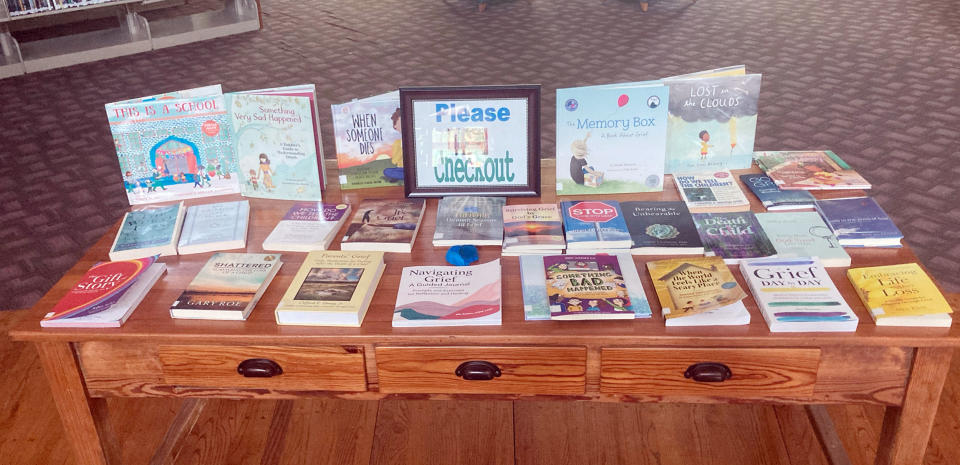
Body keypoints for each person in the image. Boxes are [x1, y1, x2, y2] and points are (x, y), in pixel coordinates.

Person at [383, 108, 405, 182]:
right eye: (401, 124)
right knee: (386, 171)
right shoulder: (397, 143)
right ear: (395, 126)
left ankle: (400, 177)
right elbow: (394, 161)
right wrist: (402, 149)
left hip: (413, 169)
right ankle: (401, 176)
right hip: (401, 169)